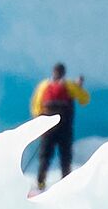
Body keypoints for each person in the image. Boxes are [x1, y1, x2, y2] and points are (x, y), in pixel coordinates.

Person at [29, 62, 90, 191]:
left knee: (45, 157)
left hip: (48, 129)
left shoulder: (44, 86)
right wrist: (79, 87)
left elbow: (36, 106)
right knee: (65, 157)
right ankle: (66, 184)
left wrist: (39, 124)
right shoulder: (69, 85)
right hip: (64, 128)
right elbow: (85, 100)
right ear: (64, 72)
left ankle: (40, 183)